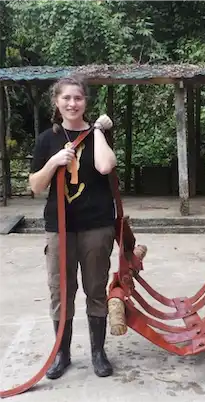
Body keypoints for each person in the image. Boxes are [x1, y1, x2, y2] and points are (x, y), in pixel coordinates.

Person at [29, 75, 117, 380]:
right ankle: (61, 354)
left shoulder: (97, 135)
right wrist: (53, 162)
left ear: (85, 102)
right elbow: (36, 187)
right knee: (60, 292)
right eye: (66, 98)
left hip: (97, 225)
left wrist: (99, 132)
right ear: (56, 102)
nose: (72, 103)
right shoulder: (46, 140)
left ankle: (98, 352)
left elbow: (106, 166)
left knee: (95, 289)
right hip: (60, 227)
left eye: (78, 98)